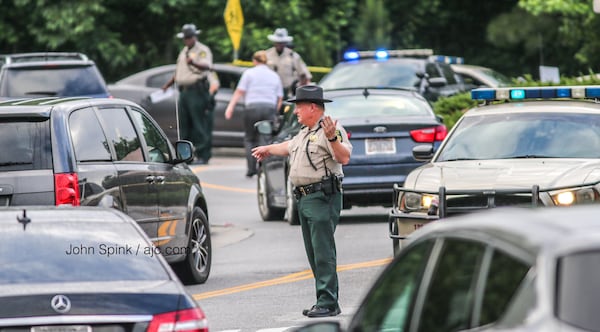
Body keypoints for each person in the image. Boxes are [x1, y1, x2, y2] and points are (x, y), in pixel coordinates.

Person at [251, 85, 352, 317]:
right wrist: (268, 148)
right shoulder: (305, 132)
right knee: (313, 252)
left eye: (298, 107)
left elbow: (344, 156)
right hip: (305, 198)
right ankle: (324, 299)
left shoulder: (331, 129)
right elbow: (289, 147)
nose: (295, 111)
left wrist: (333, 138)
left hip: (322, 196)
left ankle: (328, 302)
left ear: (312, 107)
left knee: (323, 251)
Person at [225, 50, 283, 177]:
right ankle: (264, 168)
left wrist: (230, 107)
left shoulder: (249, 73)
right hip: (269, 108)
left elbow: (239, 92)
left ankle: (251, 169)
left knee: (250, 138)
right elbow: (279, 98)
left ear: (254, 61)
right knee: (266, 138)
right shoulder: (274, 75)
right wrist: (275, 112)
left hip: (251, 108)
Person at [162, 23, 213, 164]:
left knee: (199, 124)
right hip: (183, 91)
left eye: (189, 37)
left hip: (196, 91)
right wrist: (167, 85)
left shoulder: (202, 50)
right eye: (185, 38)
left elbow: (207, 66)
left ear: (194, 37)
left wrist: (194, 62)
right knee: (184, 125)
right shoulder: (184, 51)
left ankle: (203, 155)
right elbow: (179, 71)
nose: (187, 40)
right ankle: (186, 156)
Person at [265, 28, 312, 99]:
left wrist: (301, 92)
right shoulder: (267, 55)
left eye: (281, 42)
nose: (279, 44)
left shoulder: (292, 55)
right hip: (270, 91)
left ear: (285, 43)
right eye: (277, 42)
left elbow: (304, 74)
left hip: (288, 93)